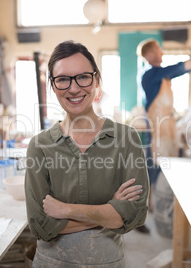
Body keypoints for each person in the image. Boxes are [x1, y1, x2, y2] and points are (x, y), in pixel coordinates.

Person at [25, 40, 149, 267]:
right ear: (52, 86)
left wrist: (66, 210)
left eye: (83, 77)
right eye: (62, 79)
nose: (73, 88)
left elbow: (135, 215)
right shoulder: (40, 146)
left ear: (97, 80)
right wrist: (109, 211)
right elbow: (40, 225)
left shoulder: (126, 139)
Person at [137, 39, 191, 212]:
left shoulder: (162, 75)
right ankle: (144, 208)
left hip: (167, 127)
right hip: (158, 130)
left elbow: (186, 68)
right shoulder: (150, 74)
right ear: (149, 55)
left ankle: (159, 205)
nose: (162, 52)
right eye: (158, 50)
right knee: (153, 169)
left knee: (164, 166)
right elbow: (180, 67)